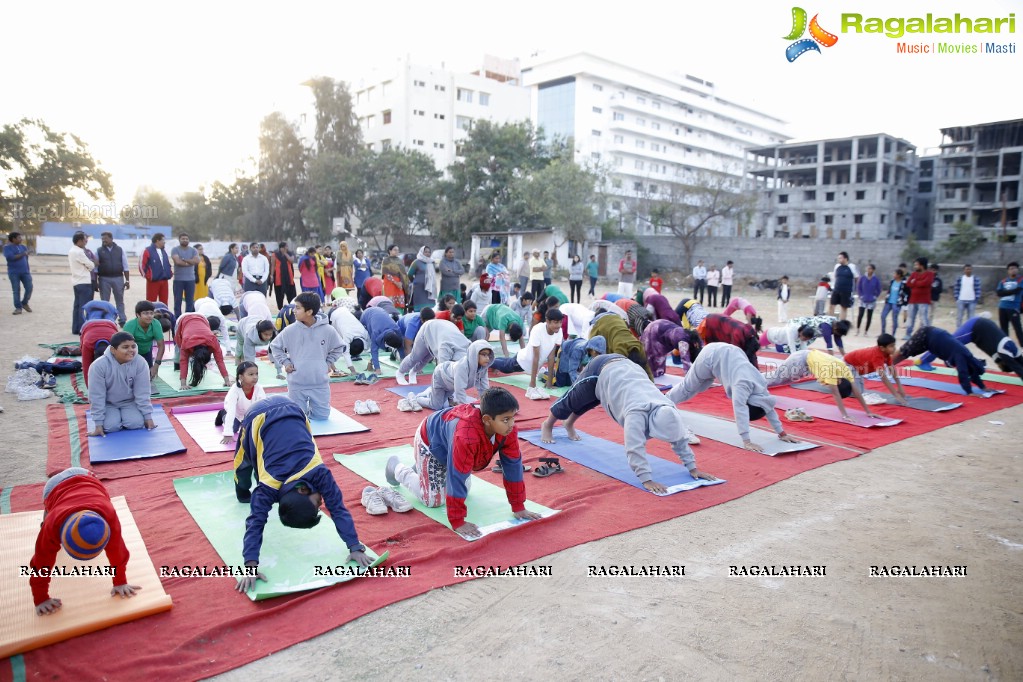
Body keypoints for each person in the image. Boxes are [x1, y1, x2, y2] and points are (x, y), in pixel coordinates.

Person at [233, 395, 372, 591]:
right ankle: (240, 489)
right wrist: (250, 565)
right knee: (243, 469)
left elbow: (337, 508)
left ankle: (241, 488)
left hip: (284, 410)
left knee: (249, 467)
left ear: (303, 491)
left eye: (317, 504)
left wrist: (355, 546)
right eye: (318, 505)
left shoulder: (309, 476)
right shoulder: (270, 489)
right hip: (275, 412)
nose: (322, 502)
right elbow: (254, 523)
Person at [539, 353, 716, 491]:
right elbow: (634, 448)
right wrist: (646, 479)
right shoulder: (636, 414)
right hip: (602, 367)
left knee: (592, 399)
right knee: (573, 398)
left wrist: (693, 468)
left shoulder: (668, 408)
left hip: (627, 371)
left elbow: (679, 440)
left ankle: (569, 423)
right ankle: (548, 424)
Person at [384, 388, 541, 539]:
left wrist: (518, 506)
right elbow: (456, 475)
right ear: (487, 419)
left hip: (452, 446)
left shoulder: (508, 429)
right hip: (431, 443)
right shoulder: (466, 436)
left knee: (464, 489)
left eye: (513, 417)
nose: (511, 424)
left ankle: (422, 469)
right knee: (433, 500)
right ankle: (397, 469)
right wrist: (457, 521)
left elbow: (512, 466)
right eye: (506, 419)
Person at [29, 468, 138, 615]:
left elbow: (117, 551)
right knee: (51, 510)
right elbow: (41, 562)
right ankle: (48, 510)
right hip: (53, 486)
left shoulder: (108, 515)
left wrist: (120, 581)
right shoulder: (52, 524)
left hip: (85, 476)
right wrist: (40, 598)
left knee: (99, 495)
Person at [669, 343, 800, 453]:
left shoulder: (760, 385)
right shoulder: (742, 385)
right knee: (689, 387)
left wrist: (782, 433)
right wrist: (746, 441)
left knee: (701, 387)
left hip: (728, 353)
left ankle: (669, 402)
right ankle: (665, 401)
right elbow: (740, 410)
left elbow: (768, 407)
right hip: (711, 355)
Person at [268, 293, 344, 420]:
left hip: (319, 382)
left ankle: (310, 412)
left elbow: (339, 347)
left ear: (309, 312)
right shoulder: (290, 330)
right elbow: (275, 346)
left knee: (322, 417)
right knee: (297, 418)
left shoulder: (328, 330)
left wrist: (328, 362)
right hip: (297, 383)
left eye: (297, 308)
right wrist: (286, 362)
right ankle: (303, 412)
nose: (293, 311)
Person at [764, 348, 885, 421]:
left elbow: (856, 392)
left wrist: (868, 411)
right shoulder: (831, 373)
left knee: (782, 379)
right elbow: (836, 394)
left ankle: (758, 381)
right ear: (838, 382)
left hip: (807, 361)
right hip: (800, 360)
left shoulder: (845, 370)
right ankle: (755, 381)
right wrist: (844, 415)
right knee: (777, 379)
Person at [86, 332, 156, 436]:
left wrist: (148, 417)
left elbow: (143, 392)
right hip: (108, 404)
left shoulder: (140, 363)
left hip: (130, 402)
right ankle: (114, 419)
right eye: (125, 347)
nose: (131, 350)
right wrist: (98, 424)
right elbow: (96, 395)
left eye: (133, 346)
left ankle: (126, 417)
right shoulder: (98, 366)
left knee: (136, 424)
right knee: (110, 427)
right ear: (113, 350)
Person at [916, 316, 1023, 380]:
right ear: (1004, 363)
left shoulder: (1014, 350)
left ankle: (943, 361)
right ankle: (922, 361)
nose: (997, 366)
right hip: (974, 327)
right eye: (1000, 366)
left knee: (951, 346)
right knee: (947, 343)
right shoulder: (1003, 351)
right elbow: (1017, 368)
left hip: (981, 329)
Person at [490, 309, 565, 400]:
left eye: (560, 322)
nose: (558, 325)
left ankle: (492, 359)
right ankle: (488, 360)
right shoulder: (538, 329)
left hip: (532, 363)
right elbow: (535, 357)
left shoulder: (559, 331)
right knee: (505, 367)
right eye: (556, 322)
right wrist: (532, 384)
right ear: (548, 321)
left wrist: (549, 382)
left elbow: (551, 356)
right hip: (523, 361)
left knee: (506, 361)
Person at [893, 326, 988, 396]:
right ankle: (883, 365)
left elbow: (973, 373)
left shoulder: (969, 358)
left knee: (905, 353)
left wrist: (983, 387)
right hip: (926, 335)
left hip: (932, 338)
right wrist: (969, 392)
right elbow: (962, 372)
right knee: (903, 352)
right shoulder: (963, 356)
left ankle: (887, 365)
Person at [405, 340, 494, 411]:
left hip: (451, 383)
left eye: (488, 355)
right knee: (437, 406)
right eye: (483, 355)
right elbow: (460, 389)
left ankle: (432, 392)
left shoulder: (483, 368)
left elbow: (484, 388)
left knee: (448, 402)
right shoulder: (462, 367)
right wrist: (464, 408)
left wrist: (485, 406)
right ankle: (415, 398)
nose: (487, 358)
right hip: (440, 377)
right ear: (474, 354)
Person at [396, 318, 470, 384]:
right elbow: (442, 372)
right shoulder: (445, 349)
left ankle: (414, 371)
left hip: (443, 332)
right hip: (427, 329)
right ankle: (400, 372)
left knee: (426, 358)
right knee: (416, 356)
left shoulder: (468, 346)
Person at [844, 334, 908, 404]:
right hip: (848, 364)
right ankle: (840, 382)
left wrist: (899, 386)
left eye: (894, 345)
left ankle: (844, 381)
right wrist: (896, 394)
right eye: (891, 346)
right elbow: (883, 377)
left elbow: (892, 368)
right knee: (856, 394)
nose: (894, 348)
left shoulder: (886, 354)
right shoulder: (877, 356)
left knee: (860, 391)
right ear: (882, 348)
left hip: (856, 368)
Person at [174, 312, 231, 390]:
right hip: (182, 319)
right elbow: (183, 361)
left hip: (202, 318)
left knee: (187, 355)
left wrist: (227, 380)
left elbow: (220, 361)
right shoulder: (186, 342)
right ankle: (176, 364)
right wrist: (183, 384)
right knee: (178, 349)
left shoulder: (213, 340)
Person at [589, 311, 652, 379]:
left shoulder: (623, 351)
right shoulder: (638, 346)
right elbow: (648, 372)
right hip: (622, 336)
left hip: (617, 339)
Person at [217, 362, 267, 444]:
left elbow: (263, 407)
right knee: (234, 429)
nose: (255, 377)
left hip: (249, 415)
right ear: (241, 377)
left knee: (254, 430)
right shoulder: (234, 390)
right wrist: (227, 433)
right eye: (251, 374)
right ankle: (222, 414)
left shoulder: (259, 388)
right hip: (235, 414)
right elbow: (231, 411)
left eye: (256, 374)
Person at [93, 231, 130, 326]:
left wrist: (127, 280)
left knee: (120, 300)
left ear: (111, 238)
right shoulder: (99, 251)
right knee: (105, 301)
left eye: (105, 238)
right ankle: (107, 319)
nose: (103, 240)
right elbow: (95, 268)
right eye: (102, 239)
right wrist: (95, 281)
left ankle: (122, 319)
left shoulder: (120, 250)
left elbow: (125, 265)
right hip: (103, 279)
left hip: (118, 278)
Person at [123, 301, 164, 379]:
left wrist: (156, 365)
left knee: (149, 377)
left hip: (147, 351)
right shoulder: (130, 325)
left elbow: (161, 346)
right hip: (131, 353)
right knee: (131, 377)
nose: (149, 316)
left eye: (151, 313)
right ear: (138, 315)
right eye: (145, 313)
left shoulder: (156, 324)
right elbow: (125, 347)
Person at [359, 305, 405, 373]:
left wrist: (403, 361)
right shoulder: (375, 333)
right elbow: (374, 351)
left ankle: (374, 361)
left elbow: (400, 345)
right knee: (371, 344)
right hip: (366, 315)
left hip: (379, 310)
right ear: (385, 342)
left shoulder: (396, 328)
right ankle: (370, 362)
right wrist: (377, 368)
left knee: (390, 345)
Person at [780, 314, 850, 356]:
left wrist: (844, 356)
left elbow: (838, 341)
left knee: (801, 351)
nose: (838, 335)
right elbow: (829, 345)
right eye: (839, 334)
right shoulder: (826, 326)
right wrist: (833, 361)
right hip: (799, 326)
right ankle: (779, 344)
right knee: (790, 347)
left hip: (809, 333)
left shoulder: (836, 325)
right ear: (835, 328)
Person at [68, 231, 96, 335]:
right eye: (84, 240)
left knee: (77, 306)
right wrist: (91, 263)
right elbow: (91, 265)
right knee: (84, 306)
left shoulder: (71, 250)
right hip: (84, 281)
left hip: (76, 281)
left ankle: (75, 328)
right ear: (79, 241)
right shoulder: (79, 251)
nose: (85, 242)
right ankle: (82, 328)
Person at [79, 317, 120, 387]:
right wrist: (90, 389)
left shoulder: (116, 343)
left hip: (110, 325)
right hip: (87, 326)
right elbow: (86, 368)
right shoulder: (87, 344)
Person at [327, 306, 370, 372]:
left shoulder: (364, 333)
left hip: (344, 310)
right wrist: (352, 370)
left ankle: (354, 355)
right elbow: (345, 352)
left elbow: (372, 347)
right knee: (332, 339)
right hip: (333, 315)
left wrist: (371, 363)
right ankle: (331, 365)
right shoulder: (348, 336)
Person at [903, 257, 935, 339]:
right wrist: (917, 282)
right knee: (910, 318)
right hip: (913, 300)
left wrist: (915, 282)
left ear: (922, 265)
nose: (915, 266)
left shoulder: (930, 274)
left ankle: (926, 335)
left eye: (916, 265)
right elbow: (908, 283)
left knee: (923, 318)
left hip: (923, 300)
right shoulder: (914, 274)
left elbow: (926, 283)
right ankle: (908, 334)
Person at [169, 233, 200, 318]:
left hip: (190, 279)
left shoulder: (193, 250)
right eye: (183, 239)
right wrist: (190, 262)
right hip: (178, 279)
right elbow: (177, 262)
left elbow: (197, 261)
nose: (185, 240)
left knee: (190, 301)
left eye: (186, 239)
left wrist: (184, 260)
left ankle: (188, 318)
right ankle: (177, 318)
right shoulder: (175, 250)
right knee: (177, 301)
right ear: (179, 240)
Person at [139, 232, 172, 305]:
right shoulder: (147, 250)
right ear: (157, 240)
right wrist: (148, 276)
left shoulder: (163, 251)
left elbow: (167, 263)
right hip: (153, 281)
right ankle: (150, 315)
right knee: (151, 301)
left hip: (164, 280)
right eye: (163, 240)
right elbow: (142, 265)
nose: (164, 242)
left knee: (164, 302)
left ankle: (164, 315)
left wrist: (169, 272)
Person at [5, 231, 33, 315]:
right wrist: (24, 254)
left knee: (29, 288)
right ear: (13, 239)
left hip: (25, 272)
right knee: (16, 290)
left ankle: (24, 303)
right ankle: (18, 307)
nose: (21, 239)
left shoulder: (23, 247)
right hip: (14, 273)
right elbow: (11, 258)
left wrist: (27, 269)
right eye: (19, 238)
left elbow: (26, 259)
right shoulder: (7, 248)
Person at [996, 261, 1023, 345]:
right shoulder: (1003, 281)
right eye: (1011, 269)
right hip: (1002, 307)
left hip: (1013, 308)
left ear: (1018, 270)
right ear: (1008, 271)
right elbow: (999, 293)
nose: (1013, 270)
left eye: (1015, 268)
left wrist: (1005, 292)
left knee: (1017, 328)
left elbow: (1017, 290)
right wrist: (1011, 291)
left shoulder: (1020, 280)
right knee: (1003, 329)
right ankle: (1006, 346)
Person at [828, 251, 859, 321]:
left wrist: (856, 289)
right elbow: (835, 277)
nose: (839, 260)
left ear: (845, 258)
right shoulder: (837, 266)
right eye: (838, 258)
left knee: (844, 307)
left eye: (840, 258)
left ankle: (842, 323)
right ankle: (830, 321)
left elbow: (857, 278)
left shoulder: (852, 267)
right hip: (836, 289)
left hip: (846, 291)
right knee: (831, 305)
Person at [381, 244, 410, 313]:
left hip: (400, 284)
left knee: (400, 303)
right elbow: (386, 274)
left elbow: (404, 274)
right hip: (390, 284)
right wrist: (395, 282)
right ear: (390, 251)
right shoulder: (386, 260)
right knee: (391, 303)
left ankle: (400, 317)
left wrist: (403, 283)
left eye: (398, 250)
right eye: (395, 250)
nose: (397, 251)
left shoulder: (400, 261)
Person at [408, 246, 437, 311]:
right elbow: (409, 274)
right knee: (419, 308)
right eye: (425, 252)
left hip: (429, 289)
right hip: (419, 288)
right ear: (421, 252)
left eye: (429, 252)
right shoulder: (416, 262)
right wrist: (416, 281)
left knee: (430, 308)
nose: (427, 253)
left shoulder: (431, 262)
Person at [855, 264, 882, 336]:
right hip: (863, 299)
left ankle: (866, 331)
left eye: (870, 269)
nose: (868, 270)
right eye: (867, 268)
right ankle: (858, 330)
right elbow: (859, 287)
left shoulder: (876, 279)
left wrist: (875, 296)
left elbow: (879, 289)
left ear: (873, 270)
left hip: (871, 300)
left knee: (869, 316)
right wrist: (860, 295)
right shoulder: (863, 278)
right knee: (860, 314)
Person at [880, 268, 905, 337]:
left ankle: (893, 334)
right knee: (883, 316)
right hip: (889, 302)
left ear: (899, 275)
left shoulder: (903, 284)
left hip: (897, 303)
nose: (893, 275)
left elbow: (905, 293)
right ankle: (883, 332)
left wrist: (903, 301)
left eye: (895, 274)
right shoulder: (892, 282)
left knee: (894, 318)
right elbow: (889, 291)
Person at [271, 242, 296, 309]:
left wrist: (285, 254)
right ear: (281, 248)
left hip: (289, 278)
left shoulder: (290, 253)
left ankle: (292, 308)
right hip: (279, 278)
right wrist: (271, 275)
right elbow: (273, 265)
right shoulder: (275, 255)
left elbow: (291, 260)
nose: (287, 248)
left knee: (292, 295)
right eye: (285, 247)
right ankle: (280, 309)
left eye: (287, 247)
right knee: (279, 295)